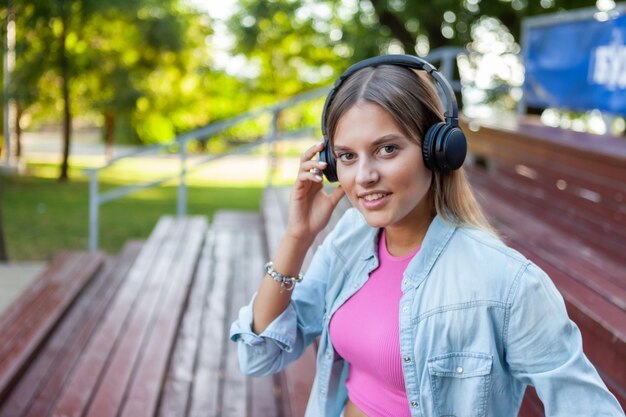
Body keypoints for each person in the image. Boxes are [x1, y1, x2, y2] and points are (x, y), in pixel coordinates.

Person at [229, 55, 625, 417]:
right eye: (347, 156)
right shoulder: (349, 239)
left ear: (439, 150)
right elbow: (259, 354)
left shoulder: (508, 284)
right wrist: (297, 237)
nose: (364, 176)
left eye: (386, 149)